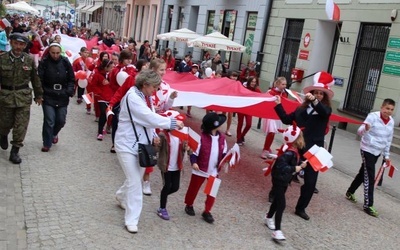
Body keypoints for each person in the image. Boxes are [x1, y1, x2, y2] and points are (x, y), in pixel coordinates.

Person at [114, 70, 184, 233]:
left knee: (135, 177)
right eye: (155, 87)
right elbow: (149, 118)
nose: (156, 90)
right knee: (135, 182)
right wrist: (172, 123)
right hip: (126, 143)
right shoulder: (133, 97)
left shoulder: (146, 97)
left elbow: (147, 120)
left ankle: (120, 195)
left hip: (141, 144)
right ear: (145, 84)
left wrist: (153, 135)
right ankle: (131, 220)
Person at [274, 71, 334, 220]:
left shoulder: (325, 110)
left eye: (321, 94)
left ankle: (301, 208)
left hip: (315, 150)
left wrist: (315, 101)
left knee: (311, 182)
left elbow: (324, 111)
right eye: (316, 93)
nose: (318, 95)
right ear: (311, 93)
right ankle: (274, 197)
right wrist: (278, 105)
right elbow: (287, 119)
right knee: (286, 173)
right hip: (297, 147)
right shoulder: (301, 109)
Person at [345, 98, 395, 217]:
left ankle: (350, 191)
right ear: (382, 107)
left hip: (378, 151)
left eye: (391, 109)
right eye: (387, 108)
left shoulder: (391, 121)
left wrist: (386, 155)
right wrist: (365, 128)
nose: (388, 111)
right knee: (370, 176)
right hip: (367, 149)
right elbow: (359, 131)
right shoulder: (372, 116)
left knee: (364, 173)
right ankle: (368, 205)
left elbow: (388, 139)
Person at [0, 33, 43, 163]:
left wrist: (39, 95)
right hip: (6, 96)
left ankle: (15, 151)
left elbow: (35, 79)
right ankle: (3, 134)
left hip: (23, 97)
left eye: (21, 44)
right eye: (16, 43)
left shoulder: (29, 59)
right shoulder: (2, 59)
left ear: (25, 46)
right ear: (11, 43)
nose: (19, 47)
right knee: (4, 123)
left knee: (21, 125)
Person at [264, 124, 307, 241]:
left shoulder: (293, 151)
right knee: (281, 204)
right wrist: (295, 169)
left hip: (284, 180)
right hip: (279, 179)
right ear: (295, 139)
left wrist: (300, 165)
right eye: (300, 137)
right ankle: (277, 231)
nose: (302, 139)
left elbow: (290, 164)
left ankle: (268, 217)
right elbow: (281, 166)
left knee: (277, 201)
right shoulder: (289, 152)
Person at [184, 112, 228, 224]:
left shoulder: (222, 138)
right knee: (193, 188)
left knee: (212, 192)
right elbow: (194, 153)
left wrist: (226, 160)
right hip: (200, 169)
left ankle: (207, 210)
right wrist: (194, 162)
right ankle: (189, 204)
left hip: (213, 170)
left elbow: (224, 153)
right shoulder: (201, 138)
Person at [38, 43, 75, 152]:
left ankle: (54, 133)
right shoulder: (44, 62)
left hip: (62, 95)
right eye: (53, 53)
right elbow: (39, 79)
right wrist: (40, 94)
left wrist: (69, 90)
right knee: (49, 120)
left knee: (61, 120)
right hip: (48, 94)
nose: (55, 55)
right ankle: (47, 143)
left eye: (57, 53)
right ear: (49, 52)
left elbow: (71, 78)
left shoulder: (65, 62)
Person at [156, 110, 188, 220]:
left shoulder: (181, 135)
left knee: (175, 187)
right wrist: (155, 143)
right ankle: (162, 207)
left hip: (176, 166)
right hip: (166, 165)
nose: (181, 124)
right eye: (178, 121)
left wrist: (186, 148)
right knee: (167, 185)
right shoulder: (163, 135)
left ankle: (162, 196)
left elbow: (183, 149)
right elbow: (157, 148)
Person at [261, 77, 288, 159]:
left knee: (273, 133)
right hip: (270, 115)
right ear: (278, 84)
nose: (284, 86)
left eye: (285, 84)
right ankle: (265, 150)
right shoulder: (271, 92)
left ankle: (267, 147)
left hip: (277, 115)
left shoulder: (284, 94)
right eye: (283, 84)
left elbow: (285, 104)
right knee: (271, 132)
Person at [92, 59, 115, 140]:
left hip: (110, 97)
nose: (112, 69)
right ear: (106, 67)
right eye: (111, 67)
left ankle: (104, 128)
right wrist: (99, 93)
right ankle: (100, 132)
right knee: (103, 113)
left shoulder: (112, 75)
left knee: (108, 114)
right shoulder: (97, 75)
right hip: (101, 97)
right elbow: (93, 85)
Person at [236, 76, 261, 145]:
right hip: (241, 107)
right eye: (252, 81)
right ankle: (238, 138)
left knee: (249, 124)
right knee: (240, 123)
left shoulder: (256, 90)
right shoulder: (244, 87)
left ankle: (242, 136)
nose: (253, 83)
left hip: (249, 109)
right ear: (249, 81)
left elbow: (262, 96)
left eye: (255, 82)